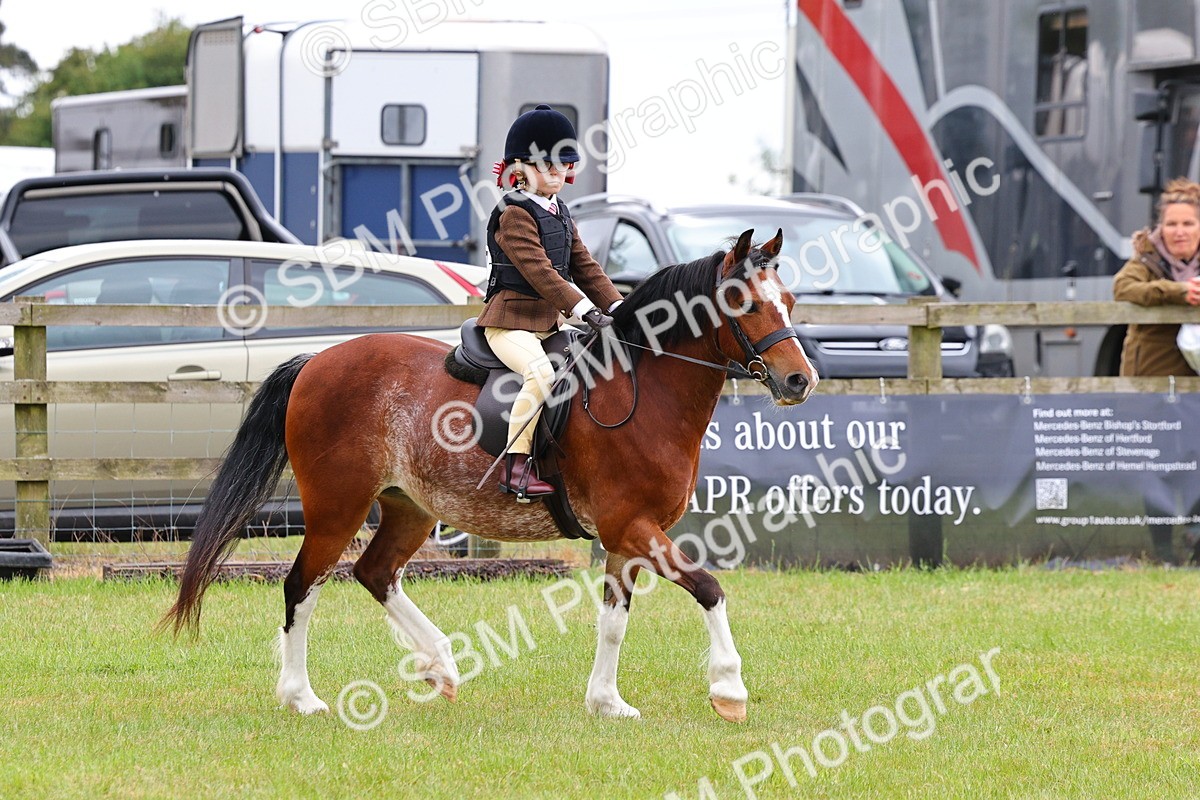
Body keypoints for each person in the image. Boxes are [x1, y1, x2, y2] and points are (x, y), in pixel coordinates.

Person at [477, 104, 624, 499]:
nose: (558, 173)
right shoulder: (513, 213)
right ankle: (516, 466)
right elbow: (541, 273)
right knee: (540, 374)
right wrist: (586, 311)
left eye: (564, 165)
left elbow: (585, 266)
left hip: (550, 324)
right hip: (509, 323)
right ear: (521, 168)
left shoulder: (560, 210)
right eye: (549, 166)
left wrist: (618, 308)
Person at [1112, 177, 1200, 563]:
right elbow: (1124, 289)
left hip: (1195, 385)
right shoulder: (1145, 259)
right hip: (1151, 384)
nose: (1179, 232)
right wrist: (1178, 292)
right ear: (1159, 227)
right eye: (1172, 224)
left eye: (1188, 223)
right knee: (1158, 467)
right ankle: (1164, 551)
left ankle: (1196, 545)